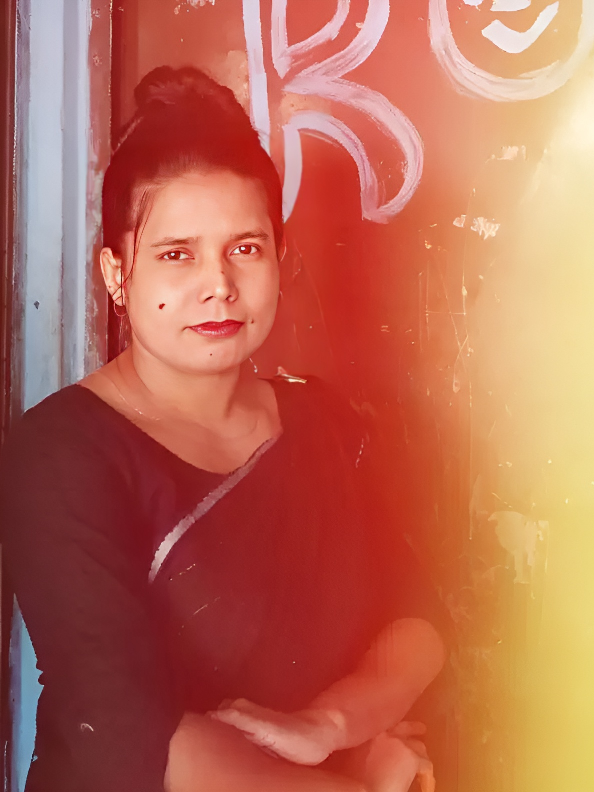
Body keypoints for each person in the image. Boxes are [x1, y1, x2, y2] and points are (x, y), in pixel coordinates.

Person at [0, 66, 448, 792]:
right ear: (116, 274)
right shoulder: (63, 453)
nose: (219, 285)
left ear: (280, 257)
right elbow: (126, 735)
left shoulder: (322, 424)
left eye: (245, 247)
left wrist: (329, 724)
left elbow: (418, 622)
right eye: (176, 254)